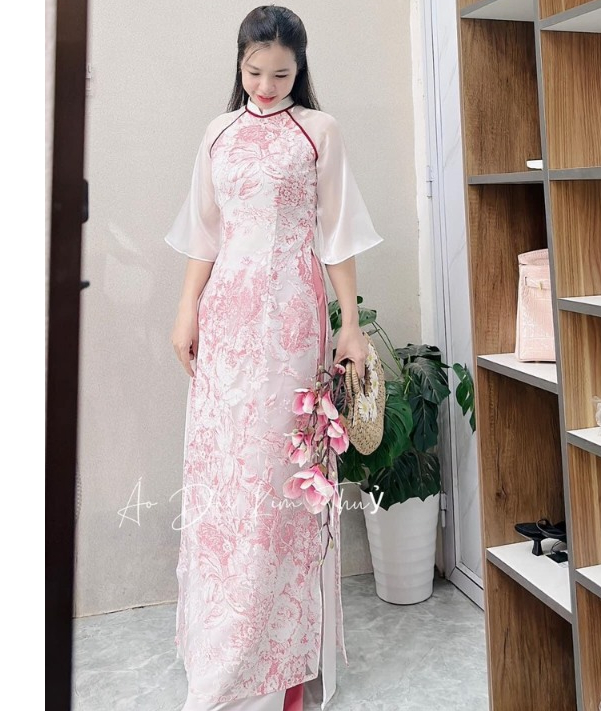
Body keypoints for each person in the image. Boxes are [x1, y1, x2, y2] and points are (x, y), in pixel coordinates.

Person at [165, 5, 384, 711]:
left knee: (279, 475)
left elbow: (337, 235)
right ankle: (220, 640)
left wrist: (350, 326)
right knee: (223, 474)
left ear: (300, 69)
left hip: (291, 317)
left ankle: (279, 657)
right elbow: (204, 232)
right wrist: (186, 309)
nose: (265, 86)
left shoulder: (319, 132)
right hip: (226, 316)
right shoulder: (218, 133)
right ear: (239, 65)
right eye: (254, 72)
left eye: (280, 74)